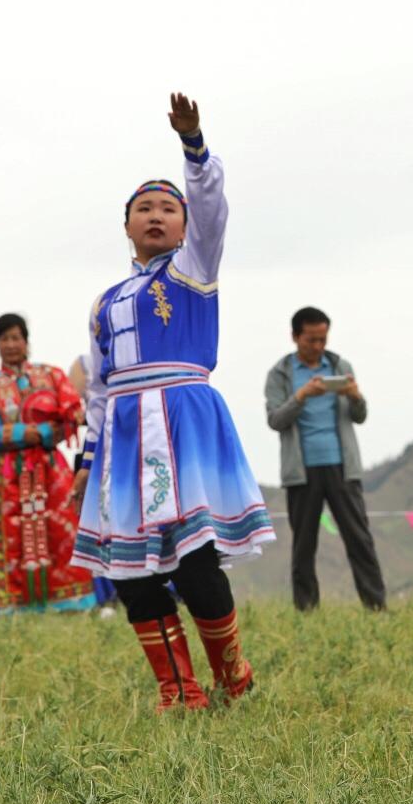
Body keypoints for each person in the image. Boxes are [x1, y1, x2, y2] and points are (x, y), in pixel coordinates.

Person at [73, 94, 274, 713]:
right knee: (130, 570)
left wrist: (194, 144)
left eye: (168, 208)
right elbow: (99, 388)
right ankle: (178, 691)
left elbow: (211, 204)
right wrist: (87, 458)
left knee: (194, 560)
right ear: (126, 225)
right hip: (125, 439)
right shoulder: (106, 301)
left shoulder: (193, 270)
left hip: (184, 425)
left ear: (186, 226)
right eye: (144, 209)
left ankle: (232, 677)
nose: (156, 216)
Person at [0, 312, 97, 617]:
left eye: (16, 338)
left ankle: (69, 601)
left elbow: (73, 416)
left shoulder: (52, 376)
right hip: (7, 474)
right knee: (9, 539)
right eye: (4, 339)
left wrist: (48, 433)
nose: (11, 344)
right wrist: (20, 434)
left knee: (60, 531)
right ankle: (9, 605)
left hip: (49, 468)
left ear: (26, 341)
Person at [263, 306, 386, 612]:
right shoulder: (280, 374)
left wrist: (355, 396)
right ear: (295, 337)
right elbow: (275, 420)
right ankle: (306, 610)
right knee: (304, 544)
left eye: (322, 339)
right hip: (301, 471)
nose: (318, 346)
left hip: (342, 467)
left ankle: (376, 606)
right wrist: (301, 395)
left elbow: (360, 416)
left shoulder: (340, 366)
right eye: (311, 340)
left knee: (359, 539)